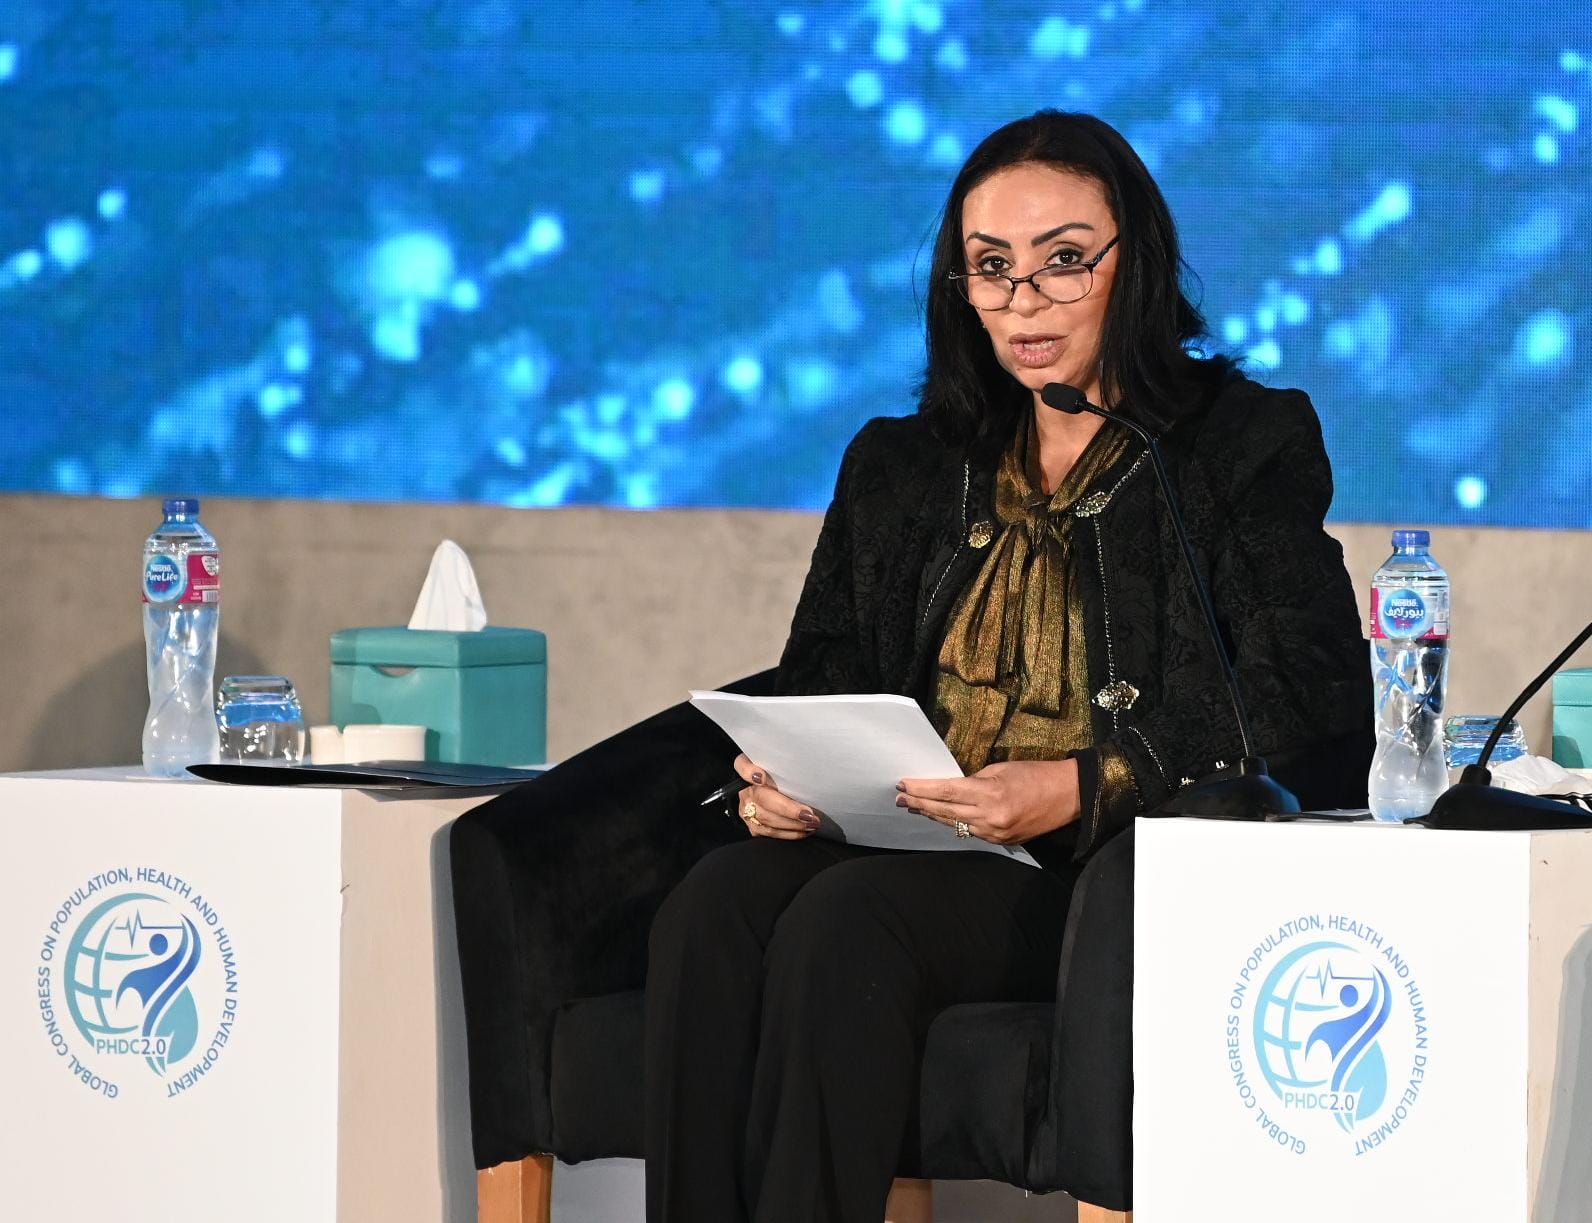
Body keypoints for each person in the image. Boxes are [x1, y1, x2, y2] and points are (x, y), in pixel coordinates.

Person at [643, 109, 1372, 1223]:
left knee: (848, 920)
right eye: (991, 268)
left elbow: (1309, 694)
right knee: (715, 902)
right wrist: (780, 781)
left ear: (1135, 262)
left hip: (1091, 878)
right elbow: (822, 670)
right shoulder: (902, 462)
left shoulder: (1235, 443)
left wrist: (1082, 781)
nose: (1024, 301)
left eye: (1063, 261)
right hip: (903, 838)